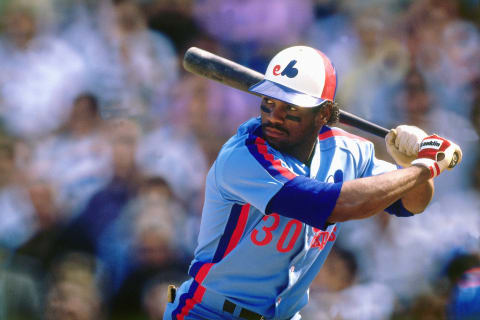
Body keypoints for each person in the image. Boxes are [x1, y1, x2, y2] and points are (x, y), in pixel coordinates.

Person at [163, 46, 462, 320]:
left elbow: (412, 203)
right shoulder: (243, 156)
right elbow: (336, 203)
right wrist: (425, 167)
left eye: (291, 108)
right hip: (208, 312)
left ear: (323, 113)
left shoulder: (349, 151)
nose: (274, 117)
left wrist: (410, 166)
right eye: (269, 101)